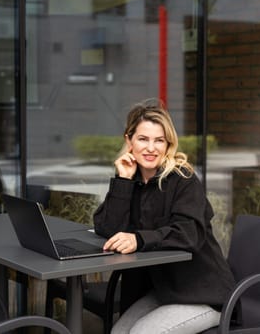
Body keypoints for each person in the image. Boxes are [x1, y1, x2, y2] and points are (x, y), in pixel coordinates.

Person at [94, 100, 235, 334]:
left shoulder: (184, 179)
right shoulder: (133, 179)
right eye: (143, 139)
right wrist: (123, 181)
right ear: (129, 141)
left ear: (168, 144)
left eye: (159, 140)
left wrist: (138, 239)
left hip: (204, 293)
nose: (151, 148)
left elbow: (188, 234)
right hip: (165, 291)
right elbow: (107, 228)